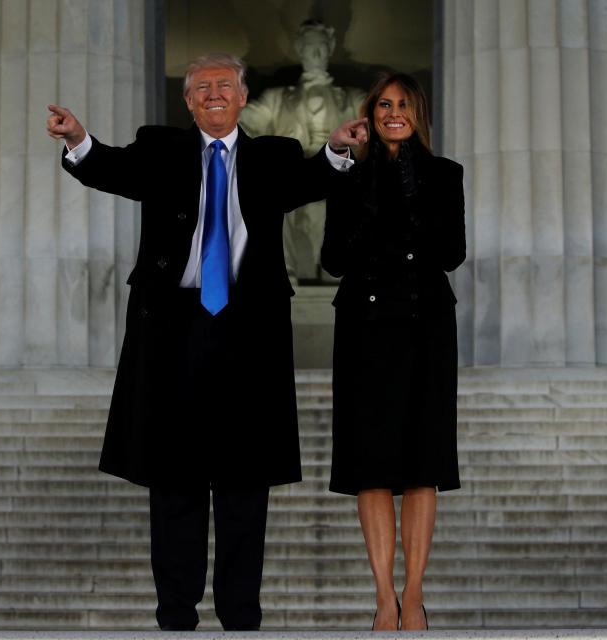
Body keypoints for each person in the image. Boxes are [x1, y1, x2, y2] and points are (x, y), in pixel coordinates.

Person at [46, 53, 367, 631]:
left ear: (243, 98)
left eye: (224, 85)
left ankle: (241, 615)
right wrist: (78, 139)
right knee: (175, 480)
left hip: (251, 331)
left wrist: (339, 148)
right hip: (172, 328)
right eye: (201, 88)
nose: (213, 94)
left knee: (246, 482)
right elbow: (113, 168)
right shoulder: (161, 148)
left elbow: (312, 179)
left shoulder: (274, 155)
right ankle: (175, 614)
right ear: (188, 101)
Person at [320, 72, 466, 631]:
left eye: (403, 104)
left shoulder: (444, 175)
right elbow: (333, 258)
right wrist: (370, 187)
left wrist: (410, 195)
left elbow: (451, 252)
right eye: (384, 104)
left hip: (426, 323)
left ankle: (414, 594)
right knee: (372, 467)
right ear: (370, 113)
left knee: (423, 466)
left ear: (418, 113)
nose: (393, 112)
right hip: (364, 325)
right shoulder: (349, 177)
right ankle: (383, 596)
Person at [239, 20, 366, 282]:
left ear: (330, 48)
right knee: (271, 196)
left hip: (338, 174)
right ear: (299, 49)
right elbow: (240, 123)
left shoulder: (352, 98)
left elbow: (381, 118)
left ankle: (337, 267)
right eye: (310, 47)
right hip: (291, 176)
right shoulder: (276, 98)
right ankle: (283, 269)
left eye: (321, 47)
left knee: (345, 196)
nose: (316, 54)